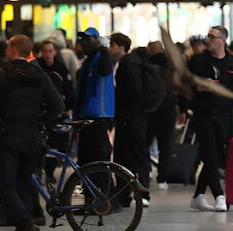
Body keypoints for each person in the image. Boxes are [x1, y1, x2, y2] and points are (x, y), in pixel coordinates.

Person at [0, 34, 63, 231]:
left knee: (4, 182)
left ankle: (24, 221)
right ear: (29, 52)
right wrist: (42, 122)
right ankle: (25, 227)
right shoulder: (40, 75)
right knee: (24, 181)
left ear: (12, 50)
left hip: (9, 135)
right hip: (33, 137)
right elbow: (59, 106)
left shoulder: (0, 75)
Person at [188, 25, 233, 212]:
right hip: (203, 114)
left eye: (212, 36)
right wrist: (198, 88)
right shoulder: (198, 61)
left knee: (216, 155)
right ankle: (219, 195)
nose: (207, 40)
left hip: (224, 115)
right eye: (207, 36)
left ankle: (198, 195)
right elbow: (186, 83)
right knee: (210, 153)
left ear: (222, 40)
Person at [110, 33, 150, 206]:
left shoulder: (129, 64)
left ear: (121, 46)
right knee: (124, 157)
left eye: (112, 45)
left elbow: (134, 91)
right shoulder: (127, 63)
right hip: (131, 118)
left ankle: (143, 194)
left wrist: (124, 109)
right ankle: (125, 194)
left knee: (135, 156)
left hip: (132, 118)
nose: (110, 49)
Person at [74, 27, 114, 171]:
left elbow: (105, 71)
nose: (84, 43)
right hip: (85, 117)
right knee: (85, 161)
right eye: (82, 39)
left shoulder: (102, 57)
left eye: (88, 39)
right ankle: (90, 192)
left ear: (96, 41)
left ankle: (103, 192)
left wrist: (103, 48)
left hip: (98, 117)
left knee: (98, 160)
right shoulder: (87, 61)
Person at [144, 40, 179, 191]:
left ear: (151, 51)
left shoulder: (146, 68)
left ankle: (146, 172)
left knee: (145, 144)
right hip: (168, 110)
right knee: (165, 146)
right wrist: (182, 109)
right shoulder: (171, 68)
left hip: (151, 111)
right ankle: (162, 178)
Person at [35, 40, 75, 116]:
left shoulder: (61, 67)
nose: (47, 54)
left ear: (55, 52)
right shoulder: (37, 67)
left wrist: (67, 107)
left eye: (50, 51)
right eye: (45, 51)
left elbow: (68, 88)